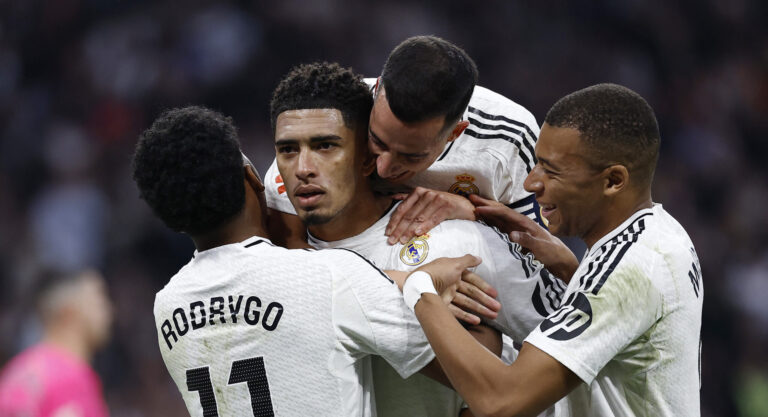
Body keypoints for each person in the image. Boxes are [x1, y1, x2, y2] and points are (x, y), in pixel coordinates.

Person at [132, 105, 481, 416]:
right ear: (252, 177)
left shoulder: (166, 307)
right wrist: (418, 282)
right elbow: (477, 373)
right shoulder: (328, 276)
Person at [271, 61, 567, 417]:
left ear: (363, 157)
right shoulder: (271, 265)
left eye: (325, 146)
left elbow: (565, 338)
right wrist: (408, 285)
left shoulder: (459, 243)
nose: (303, 168)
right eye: (287, 150)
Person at [400, 83, 704, 416]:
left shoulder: (630, 269)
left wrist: (421, 287)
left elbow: (501, 403)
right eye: (536, 164)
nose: (531, 183)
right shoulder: (664, 235)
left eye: (551, 170)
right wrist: (571, 271)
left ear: (613, 181)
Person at [263, 35, 543, 248]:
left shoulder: (509, 138)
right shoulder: (337, 115)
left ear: (454, 133)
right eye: (377, 141)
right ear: (377, 92)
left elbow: (540, 253)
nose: (384, 168)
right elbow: (290, 250)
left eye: (411, 156)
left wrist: (472, 213)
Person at [0, 269, 112, 417]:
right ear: (69, 311)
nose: (109, 311)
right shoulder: (70, 380)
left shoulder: (18, 370)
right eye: (99, 301)